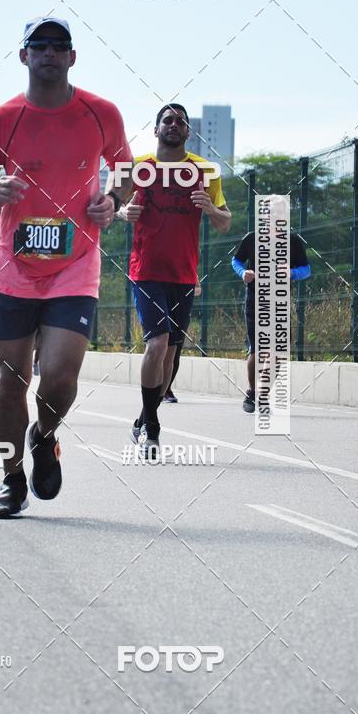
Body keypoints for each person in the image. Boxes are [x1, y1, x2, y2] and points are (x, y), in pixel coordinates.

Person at [0, 15, 134, 518]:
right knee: (9, 383)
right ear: (24, 56)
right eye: (40, 45)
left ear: (73, 57)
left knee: (58, 376)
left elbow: (126, 175)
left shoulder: (101, 113)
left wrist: (114, 202)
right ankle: (11, 480)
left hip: (74, 266)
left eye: (61, 46)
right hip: (13, 270)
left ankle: (45, 433)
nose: (51, 53)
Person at [118, 104, 231, 455]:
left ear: (188, 132)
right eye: (167, 120)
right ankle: (153, 429)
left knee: (171, 354)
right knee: (158, 342)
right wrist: (125, 212)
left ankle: (142, 417)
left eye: (180, 121)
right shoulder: (138, 168)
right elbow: (113, 207)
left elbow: (225, 220)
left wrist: (211, 209)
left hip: (183, 274)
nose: (174, 125)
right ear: (156, 130)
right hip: (146, 270)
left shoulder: (205, 171)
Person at [232, 226, 310, 413]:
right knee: (257, 351)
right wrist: (243, 273)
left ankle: (263, 396)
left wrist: (292, 273)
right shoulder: (251, 238)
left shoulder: (293, 241)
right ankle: (251, 391)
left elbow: (306, 269)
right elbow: (235, 261)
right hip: (254, 301)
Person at [161, 278, 201, 403]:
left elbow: (198, 289)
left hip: (181, 311)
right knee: (161, 348)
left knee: (175, 352)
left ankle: (167, 389)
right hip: (163, 309)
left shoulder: (186, 267)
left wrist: (185, 292)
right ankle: (157, 388)